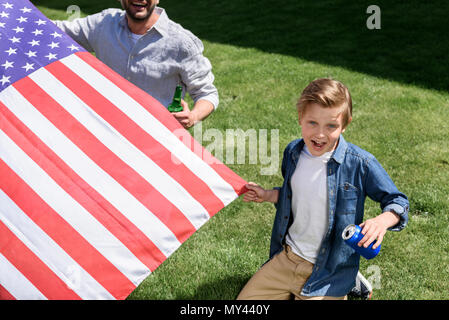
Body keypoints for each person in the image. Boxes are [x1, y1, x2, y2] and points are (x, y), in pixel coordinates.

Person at [238, 78, 409, 300]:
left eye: (331, 126)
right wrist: (268, 195)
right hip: (287, 258)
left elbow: (398, 201)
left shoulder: (360, 163)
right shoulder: (293, 153)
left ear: (344, 125)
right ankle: (351, 279)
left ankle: (347, 279)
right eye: (312, 123)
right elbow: (296, 195)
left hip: (329, 271)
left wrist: (382, 222)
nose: (320, 135)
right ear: (300, 118)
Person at [53, 0, 218, 129]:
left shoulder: (182, 43)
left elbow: (207, 93)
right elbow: (54, 31)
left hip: (157, 142)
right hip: (104, 133)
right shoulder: (103, 24)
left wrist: (193, 117)